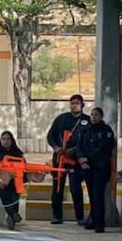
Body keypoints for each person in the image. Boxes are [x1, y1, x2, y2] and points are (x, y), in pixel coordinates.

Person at [46, 94, 90, 225]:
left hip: (75, 160)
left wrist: (75, 150)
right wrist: (57, 148)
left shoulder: (87, 121)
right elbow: (50, 136)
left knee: (75, 188)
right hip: (59, 158)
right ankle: (57, 216)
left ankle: (80, 217)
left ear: (82, 105)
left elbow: (88, 141)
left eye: (77, 103)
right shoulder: (61, 119)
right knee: (57, 188)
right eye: (72, 103)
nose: (74, 105)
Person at [75, 107, 116, 233]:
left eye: (96, 115)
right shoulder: (86, 130)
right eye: (92, 115)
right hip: (87, 168)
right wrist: (81, 159)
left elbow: (103, 148)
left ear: (101, 116)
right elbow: (80, 146)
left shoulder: (106, 131)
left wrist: (87, 159)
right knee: (92, 195)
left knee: (98, 195)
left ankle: (100, 223)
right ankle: (92, 219)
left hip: (100, 167)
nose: (93, 117)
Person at [0, 130, 25, 230]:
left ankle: (12, 216)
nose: (5, 141)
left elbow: (23, 166)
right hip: (1, 180)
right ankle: (13, 214)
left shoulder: (18, 153)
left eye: (8, 139)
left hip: (15, 179)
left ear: (12, 140)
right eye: (3, 139)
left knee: (15, 194)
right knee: (3, 192)